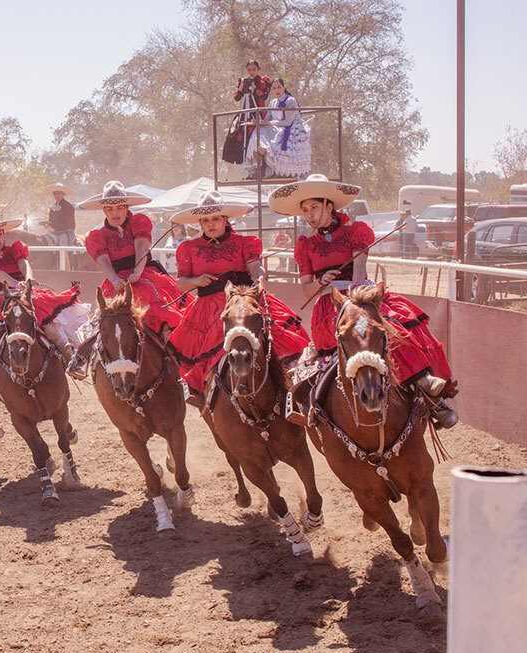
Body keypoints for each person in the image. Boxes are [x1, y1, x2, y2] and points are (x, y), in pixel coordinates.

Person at [268, 174, 458, 428]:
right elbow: (306, 290)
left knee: (394, 327)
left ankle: (428, 390)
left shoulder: (355, 232)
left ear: (328, 206)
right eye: (305, 210)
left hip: (359, 297)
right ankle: (317, 408)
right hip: (328, 306)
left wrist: (349, 296)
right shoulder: (305, 244)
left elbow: (358, 276)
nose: (309, 215)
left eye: (314, 207)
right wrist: (322, 281)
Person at [166, 192, 310, 406]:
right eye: (205, 220)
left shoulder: (244, 243)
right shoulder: (190, 248)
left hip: (243, 300)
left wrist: (259, 276)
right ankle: (208, 395)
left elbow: (255, 267)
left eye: (216, 219)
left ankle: (291, 387)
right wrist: (196, 280)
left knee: (277, 338)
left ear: (226, 220)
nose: (210, 224)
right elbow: (181, 283)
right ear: (200, 223)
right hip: (208, 309)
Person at [0, 211, 89, 377]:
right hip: (0, 300)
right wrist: (16, 284)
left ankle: (69, 356)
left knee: (48, 320)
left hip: (23, 296)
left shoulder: (14, 249)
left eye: (0, 233)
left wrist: (29, 281)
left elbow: (25, 265)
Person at [81, 181, 184, 338]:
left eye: (120, 207)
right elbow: (104, 262)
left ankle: (167, 343)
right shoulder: (97, 236)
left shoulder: (138, 222)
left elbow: (141, 249)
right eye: (110, 208)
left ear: (126, 208)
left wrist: (137, 271)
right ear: (104, 211)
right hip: (116, 279)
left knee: (154, 303)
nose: (115, 213)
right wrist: (114, 278)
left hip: (143, 271)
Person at [255, 78, 311, 178]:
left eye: (279, 87)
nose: (277, 90)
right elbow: (267, 118)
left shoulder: (290, 101)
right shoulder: (272, 102)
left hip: (292, 128)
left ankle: (274, 162)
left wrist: (270, 123)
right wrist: (258, 122)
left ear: (284, 87)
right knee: (259, 130)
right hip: (277, 126)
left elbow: (287, 122)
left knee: (277, 135)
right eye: (274, 88)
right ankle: (261, 161)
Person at [224, 60, 272, 171]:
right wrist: (242, 86)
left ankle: (260, 166)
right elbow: (237, 97)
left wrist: (254, 87)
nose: (251, 72)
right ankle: (247, 167)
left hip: (257, 113)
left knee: (256, 138)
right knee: (235, 134)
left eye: (254, 69)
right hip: (245, 112)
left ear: (258, 69)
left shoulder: (264, 81)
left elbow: (263, 96)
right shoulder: (243, 80)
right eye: (249, 70)